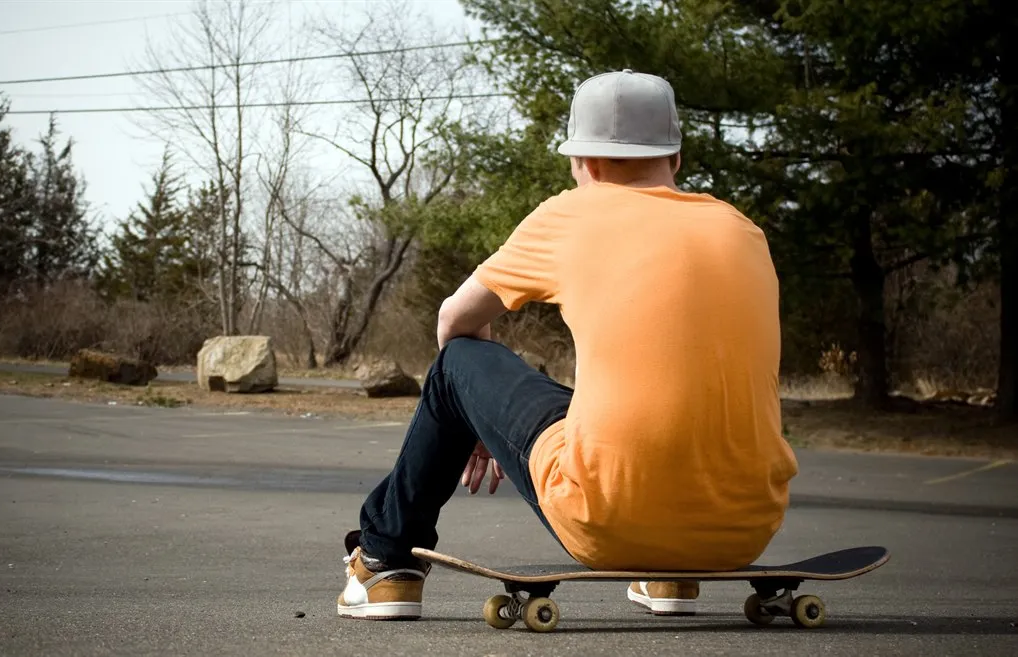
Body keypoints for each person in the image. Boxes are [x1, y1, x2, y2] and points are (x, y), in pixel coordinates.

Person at [336, 69, 799, 621]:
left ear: (584, 162)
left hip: (607, 518)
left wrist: (479, 424)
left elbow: (455, 318)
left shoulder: (571, 213)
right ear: (675, 158)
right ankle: (670, 576)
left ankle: (387, 560)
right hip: (744, 528)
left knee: (458, 359)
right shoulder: (743, 231)